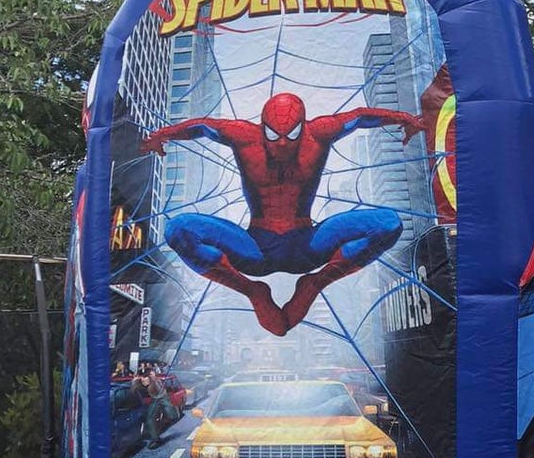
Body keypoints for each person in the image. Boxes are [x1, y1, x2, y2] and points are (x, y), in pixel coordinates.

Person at [143, 91, 429, 335]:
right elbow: (204, 127)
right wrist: (164, 135)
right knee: (177, 229)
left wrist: (403, 118)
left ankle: (317, 282)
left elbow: (360, 116)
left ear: (303, 126)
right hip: (256, 249)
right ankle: (251, 290)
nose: (281, 143)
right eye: (272, 133)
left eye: (291, 134)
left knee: (389, 224)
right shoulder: (244, 137)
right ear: (262, 125)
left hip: (307, 243)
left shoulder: (319, 133)